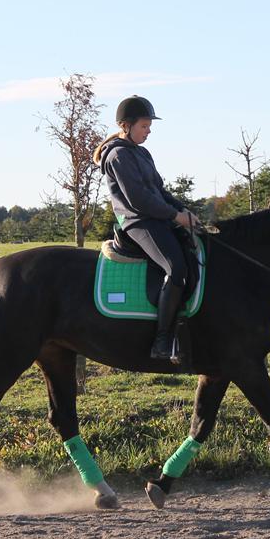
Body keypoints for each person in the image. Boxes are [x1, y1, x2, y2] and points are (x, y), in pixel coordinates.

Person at [96, 95, 201, 363]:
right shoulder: (118, 155)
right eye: (144, 126)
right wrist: (175, 216)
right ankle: (162, 341)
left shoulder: (141, 152)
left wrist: (183, 210)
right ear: (126, 125)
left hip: (158, 219)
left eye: (149, 126)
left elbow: (159, 191)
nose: (149, 131)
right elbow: (138, 199)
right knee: (175, 268)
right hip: (137, 222)